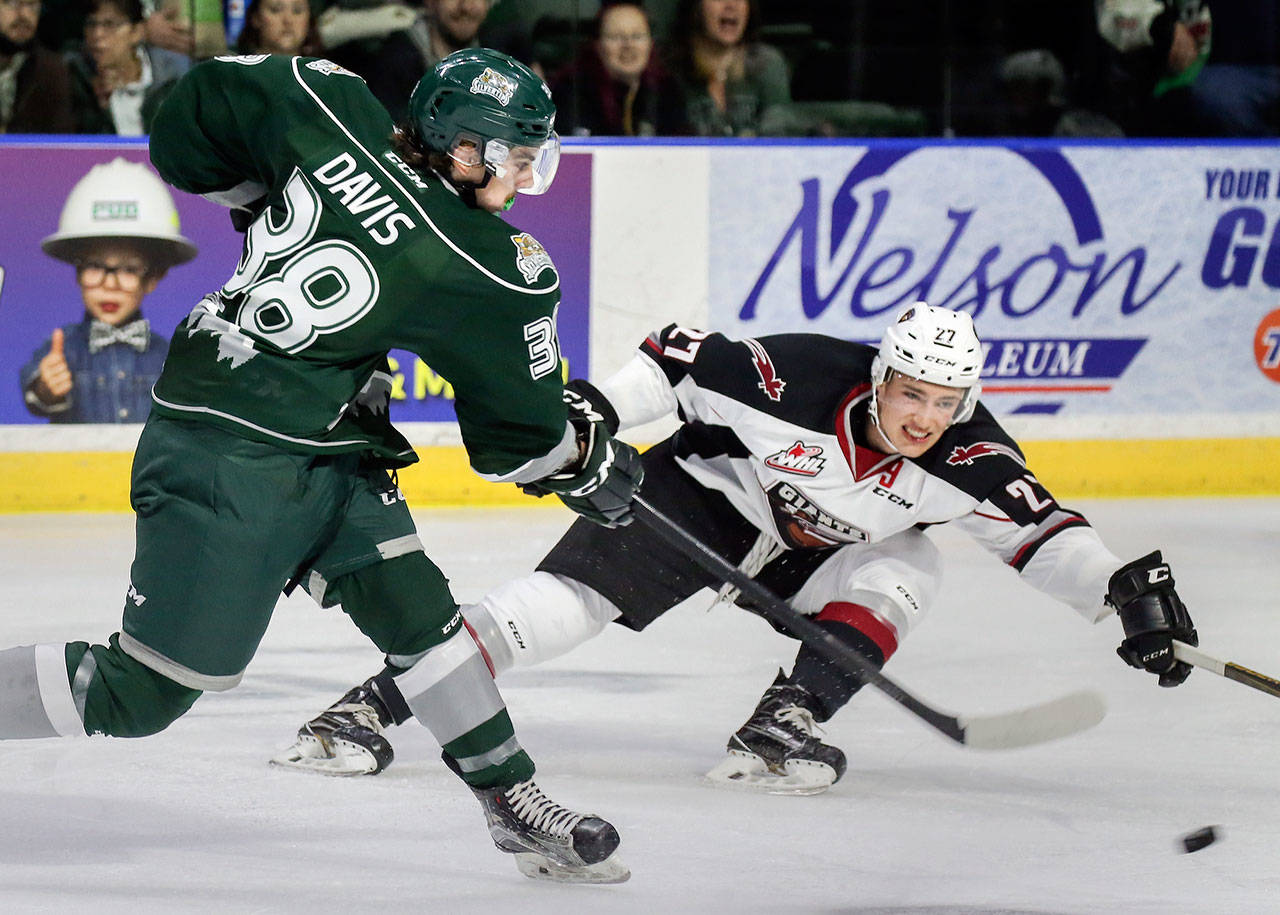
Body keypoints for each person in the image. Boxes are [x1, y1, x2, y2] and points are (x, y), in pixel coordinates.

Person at [0, 48, 643, 883]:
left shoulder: (326, 102)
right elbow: (515, 445)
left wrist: (260, 194)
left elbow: (185, 125)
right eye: (518, 155)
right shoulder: (489, 263)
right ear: (463, 151)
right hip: (233, 457)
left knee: (420, 616)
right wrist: (585, 459)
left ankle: (512, 799)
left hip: (302, 429)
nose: (526, 175)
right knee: (142, 693)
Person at [279, 304, 1199, 795]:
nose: (922, 417)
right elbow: (676, 359)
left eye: (943, 403)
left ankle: (788, 716)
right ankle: (377, 700)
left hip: (830, 552)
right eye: (909, 392)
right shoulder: (791, 378)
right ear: (880, 375)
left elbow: (1044, 535)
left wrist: (1122, 595)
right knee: (561, 608)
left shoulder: (973, 459)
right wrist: (600, 408)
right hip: (715, 496)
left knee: (908, 565)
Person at [19, 158, 196, 423]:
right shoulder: (63, 350)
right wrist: (47, 387)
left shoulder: (168, 357)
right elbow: (36, 395)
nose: (110, 285)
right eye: (94, 267)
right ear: (77, 273)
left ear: (153, 278)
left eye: (128, 270)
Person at [549, 0, 687, 137]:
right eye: (616, 37)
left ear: (651, 43)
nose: (628, 45)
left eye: (637, 36)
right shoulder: (571, 91)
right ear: (598, 45)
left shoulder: (667, 91)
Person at [67, 0, 190, 135]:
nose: (97, 34)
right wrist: (98, 108)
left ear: (137, 31)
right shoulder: (75, 76)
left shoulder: (174, 77)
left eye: (109, 25)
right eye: (91, 24)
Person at [669, 0, 790, 136]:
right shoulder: (671, 68)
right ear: (697, 7)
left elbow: (777, 134)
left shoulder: (766, 63)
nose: (732, 5)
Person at [0, 0, 74, 133]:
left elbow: (61, 145)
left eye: (32, 5)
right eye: (12, 3)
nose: (24, 14)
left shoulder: (52, 70)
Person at [235, 0, 324, 56]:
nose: (288, 20)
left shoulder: (323, 76)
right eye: (276, 9)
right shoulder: (236, 72)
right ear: (256, 17)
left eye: (297, 11)